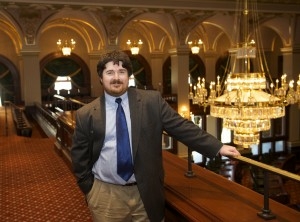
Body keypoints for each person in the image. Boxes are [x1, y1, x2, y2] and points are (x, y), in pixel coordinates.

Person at [71, 50, 240, 222]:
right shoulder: (86, 114)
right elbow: (79, 156)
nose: (116, 77)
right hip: (106, 194)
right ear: (101, 77)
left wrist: (217, 146)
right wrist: (90, 189)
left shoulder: (151, 101)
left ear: (129, 75)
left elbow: (181, 126)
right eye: (110, 72)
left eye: (122, 72)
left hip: (146, 193)